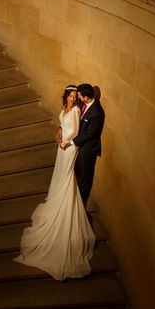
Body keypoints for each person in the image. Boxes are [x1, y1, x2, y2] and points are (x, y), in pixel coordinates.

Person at [14, 85, 95, 280]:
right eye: (71, 96)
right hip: (61, 146)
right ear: (66, 96)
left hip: (68, 148)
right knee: (59, 177)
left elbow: (75, 131)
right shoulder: (65, 108)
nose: (74, 99)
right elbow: (63, 123)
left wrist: (64, 141)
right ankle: (57, 199)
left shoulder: (75, 110)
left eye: (76, 96)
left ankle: (64, 208)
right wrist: (59, 131)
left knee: (67, 178)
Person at [70, 83, 105, 205]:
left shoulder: (98, 112)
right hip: (79, 144)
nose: (77, 97)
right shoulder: (81, 103)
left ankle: (82, 204)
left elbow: (90, 134)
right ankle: (74, 199)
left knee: (85, 176)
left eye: (79, 95)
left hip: (88, 149)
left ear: (86, 97)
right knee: (76, 172)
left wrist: (72, 142)